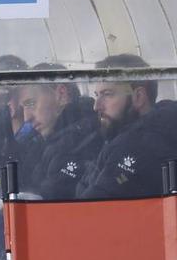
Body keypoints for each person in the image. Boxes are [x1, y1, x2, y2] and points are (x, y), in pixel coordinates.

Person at [77, 54, 177, 199]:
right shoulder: (162, 131)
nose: (96, 106)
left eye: (107, 94)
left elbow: (90, 206)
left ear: (138, 97)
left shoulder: (133, 145)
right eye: (96, 95)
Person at [15, 70, 101, 199]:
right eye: (23, 108)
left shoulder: (80, 144)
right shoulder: (43, 140)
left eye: (31, 103)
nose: (27, 118)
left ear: (61, 94)